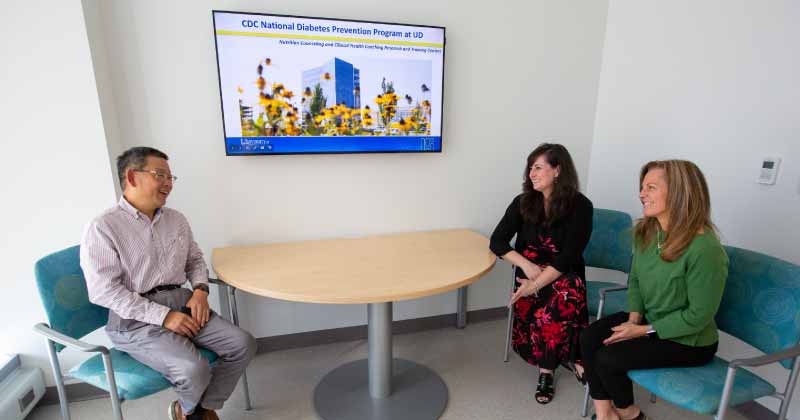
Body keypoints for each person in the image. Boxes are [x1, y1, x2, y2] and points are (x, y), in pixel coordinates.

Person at [80, 147, 256, 420]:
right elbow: (104, 290)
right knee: (192, 369)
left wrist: (200, 290)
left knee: (242, 343)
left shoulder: (176, 220)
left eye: (171, 176)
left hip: (185, 304)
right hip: (136, 320)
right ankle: (193, 414)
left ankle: (197, 408)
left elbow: (195, 261)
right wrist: (163, 316)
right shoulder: (104, 227)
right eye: (159, 174)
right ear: (131, 176)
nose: (169, 183)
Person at [580, 160, 728, 420]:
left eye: (651, 187)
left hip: (688, 340)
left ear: (680, 193)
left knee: (608, 358)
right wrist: (633, 318)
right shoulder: (648, 232)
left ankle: (630, 413)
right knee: (589, 337)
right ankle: (605, 414)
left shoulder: (706, 250)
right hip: (651, 321)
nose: (641, 194)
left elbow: (698, 317)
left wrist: (639, 331)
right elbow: (635, 279)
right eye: (642, 187)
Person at [490, 143, 593, 404]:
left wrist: (536, 284)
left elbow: (568, 257)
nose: (531, 174)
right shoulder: (523, 202)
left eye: (538, 167)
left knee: (566, 289)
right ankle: (575, 357)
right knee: (564, 296)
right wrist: (525, 265)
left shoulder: (581, 206)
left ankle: (546, 371)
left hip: (563, 274)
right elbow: (497, 242)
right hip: (528, 274)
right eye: (530, 169)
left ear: (558, 170)